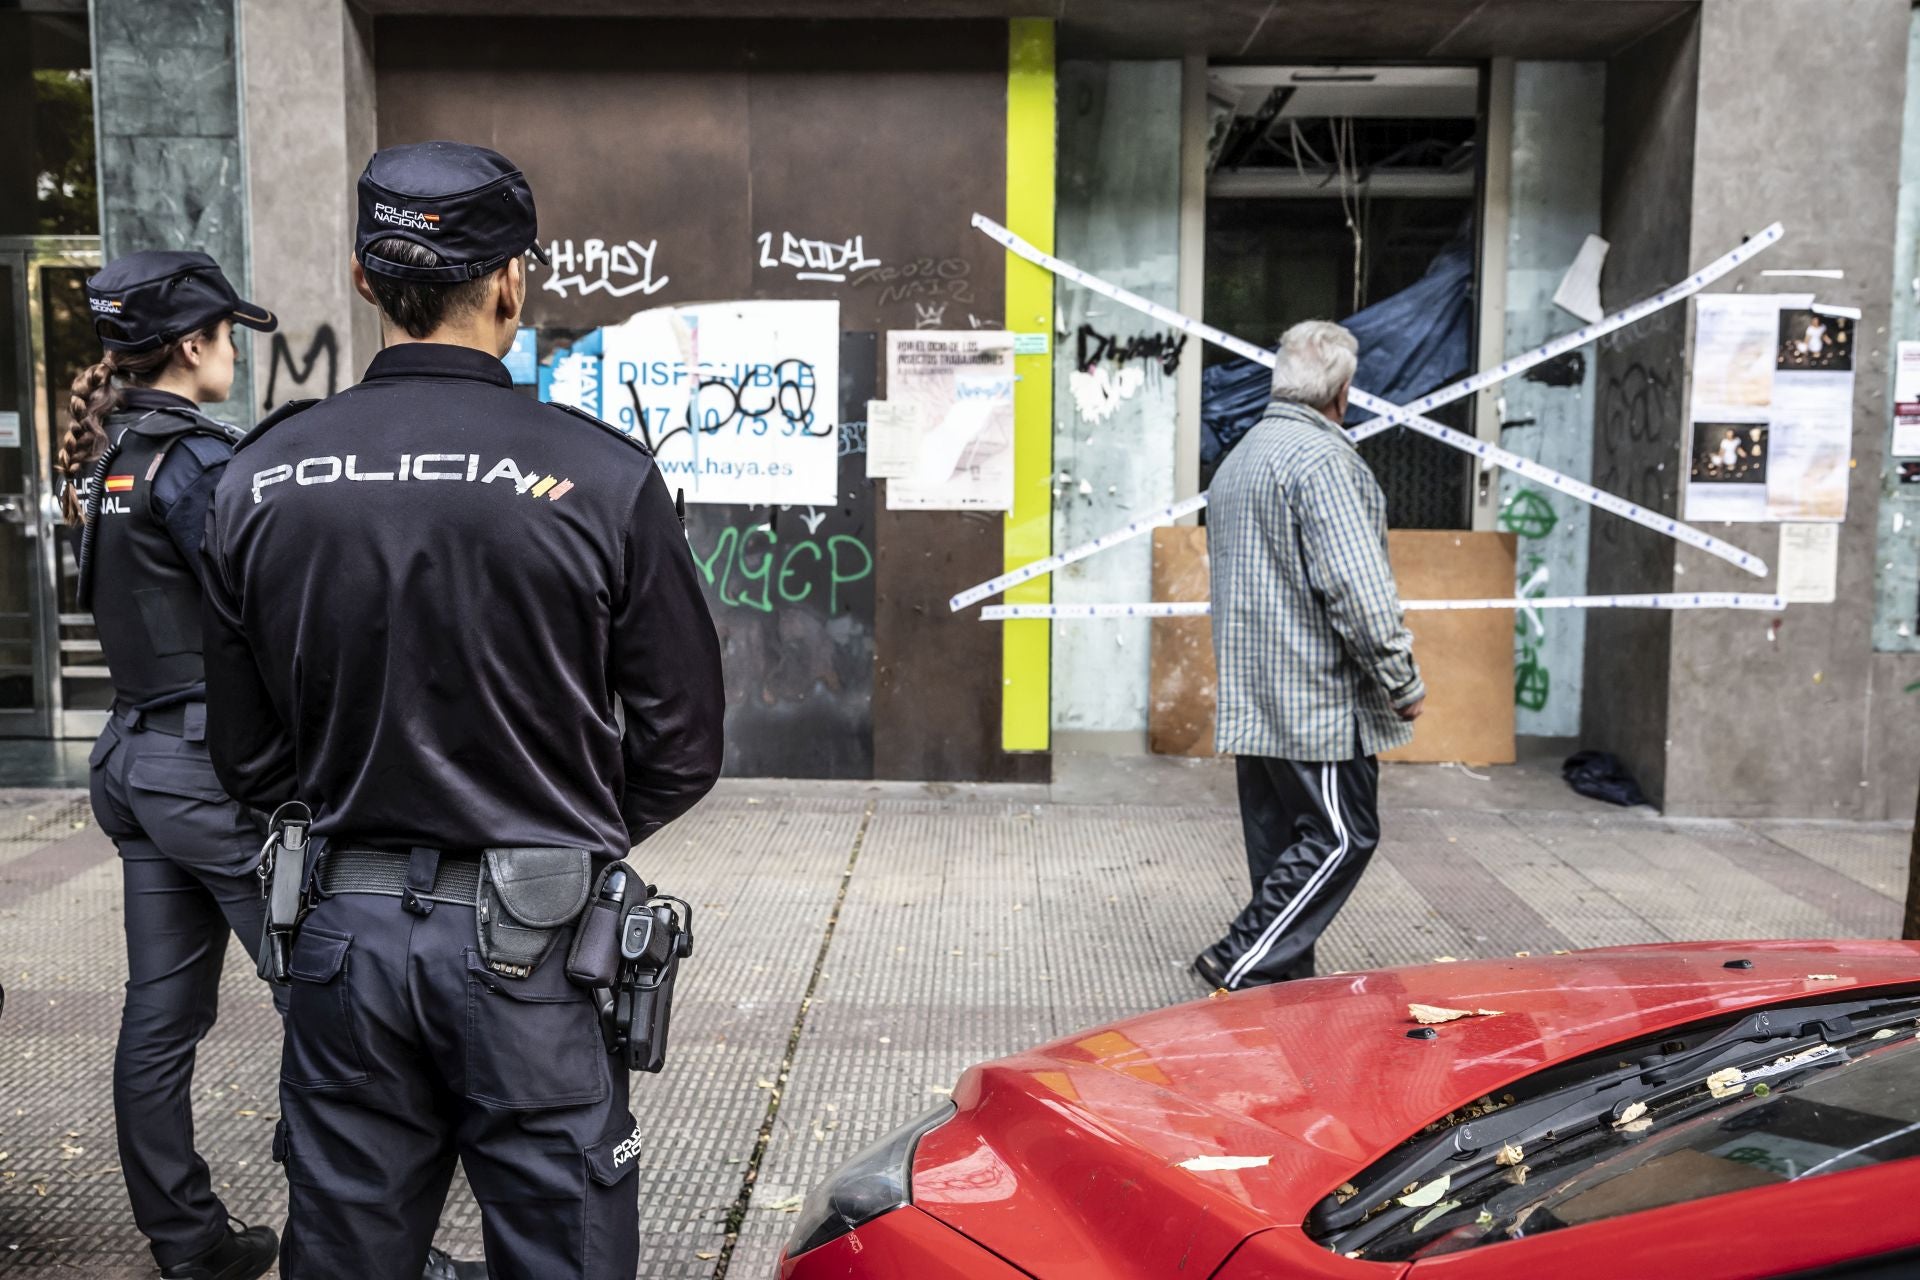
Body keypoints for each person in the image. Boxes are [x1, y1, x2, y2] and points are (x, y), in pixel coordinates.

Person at [200, 141, 726, 1279]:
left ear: (359, 276)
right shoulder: (601, 476)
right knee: (563, 1251)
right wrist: (560, 835)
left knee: (345, 1253)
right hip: (538, 953)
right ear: (509, 283)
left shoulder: (260, 477)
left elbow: (244, 758)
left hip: (343, 941)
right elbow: (684, 744)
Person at [63, 250, 287, 1280]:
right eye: (226, 333)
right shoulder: (194, 462)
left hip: (137, 765)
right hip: (205, 773)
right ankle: (365, 1240)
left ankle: (190, 1246)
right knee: (330, 996)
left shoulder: (115, 457)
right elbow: (264, 618)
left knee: (159, 1018)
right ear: (193, 344)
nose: (233, 349)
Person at [1192, 320, 1424, 992]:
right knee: (1343, 836)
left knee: (1281, 850)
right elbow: (1358, 589)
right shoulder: (1322, 461)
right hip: (1315, 702)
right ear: (1343, 391)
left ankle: (1280, 992)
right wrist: (1399, 679)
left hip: (1256, 695)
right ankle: (1241, 959)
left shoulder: (1242, 458)